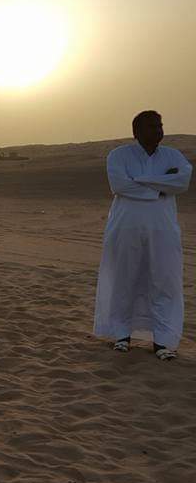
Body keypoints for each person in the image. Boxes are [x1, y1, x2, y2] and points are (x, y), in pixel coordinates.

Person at [94, 110, 192, 360]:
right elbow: (119, 185)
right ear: (136, 132)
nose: (157, 130)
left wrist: (140, 181)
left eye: (159, 125)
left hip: (163, 230)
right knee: (124, 278)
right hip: (125, 229)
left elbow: (182, 182)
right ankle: (121, 336)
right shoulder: (119, 156)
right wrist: (159, 186)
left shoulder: (173, 156)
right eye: (151, 126)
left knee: (164, 280)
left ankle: (162, 342)